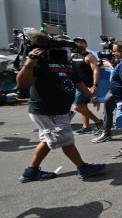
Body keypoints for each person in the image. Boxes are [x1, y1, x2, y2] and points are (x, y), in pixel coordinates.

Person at [17, 45, 105, 183]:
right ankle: (82, 168)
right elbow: (22, 83)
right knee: (66, 140)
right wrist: (28, 64)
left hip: (59, 111)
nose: (67, 52)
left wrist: (92, 94)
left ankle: (31, 171)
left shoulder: (68, 66)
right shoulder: (40, 65)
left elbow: (78, 83)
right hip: (47, 112)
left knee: (47, 140)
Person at [71, 37, 103, 134]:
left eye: (82, 42)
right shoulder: (73, 56)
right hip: (77, 85)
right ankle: (86, 127)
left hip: (87, 86)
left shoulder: (89, 57)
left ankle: (99, 122)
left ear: (86, 45)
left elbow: (96, 71)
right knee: (83, 106)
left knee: (77, 107)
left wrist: (95, 86)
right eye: (77, 42)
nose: (79, 44)